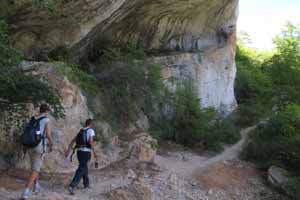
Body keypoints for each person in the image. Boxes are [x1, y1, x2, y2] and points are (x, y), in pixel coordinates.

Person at [21, 104, 53, 199]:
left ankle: (36, 186)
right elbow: (48, 134)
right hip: (39, 146)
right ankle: (26, 192)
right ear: (46, 111)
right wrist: (51, 144)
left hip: (30, 145)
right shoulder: (46, 120)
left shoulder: (33, 118)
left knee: (35, 167)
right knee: (35, 170)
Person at [65, 119, 98, 195]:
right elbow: (90, 141)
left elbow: (73, 140)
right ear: (91, 124)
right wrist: (95, 152)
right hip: (86, 152)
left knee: (84, 167)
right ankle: (72, 186)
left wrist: (68, 150)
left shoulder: (81, 131)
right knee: (81, 168)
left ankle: (86, 184)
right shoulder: (90, 130)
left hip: (79, 152)